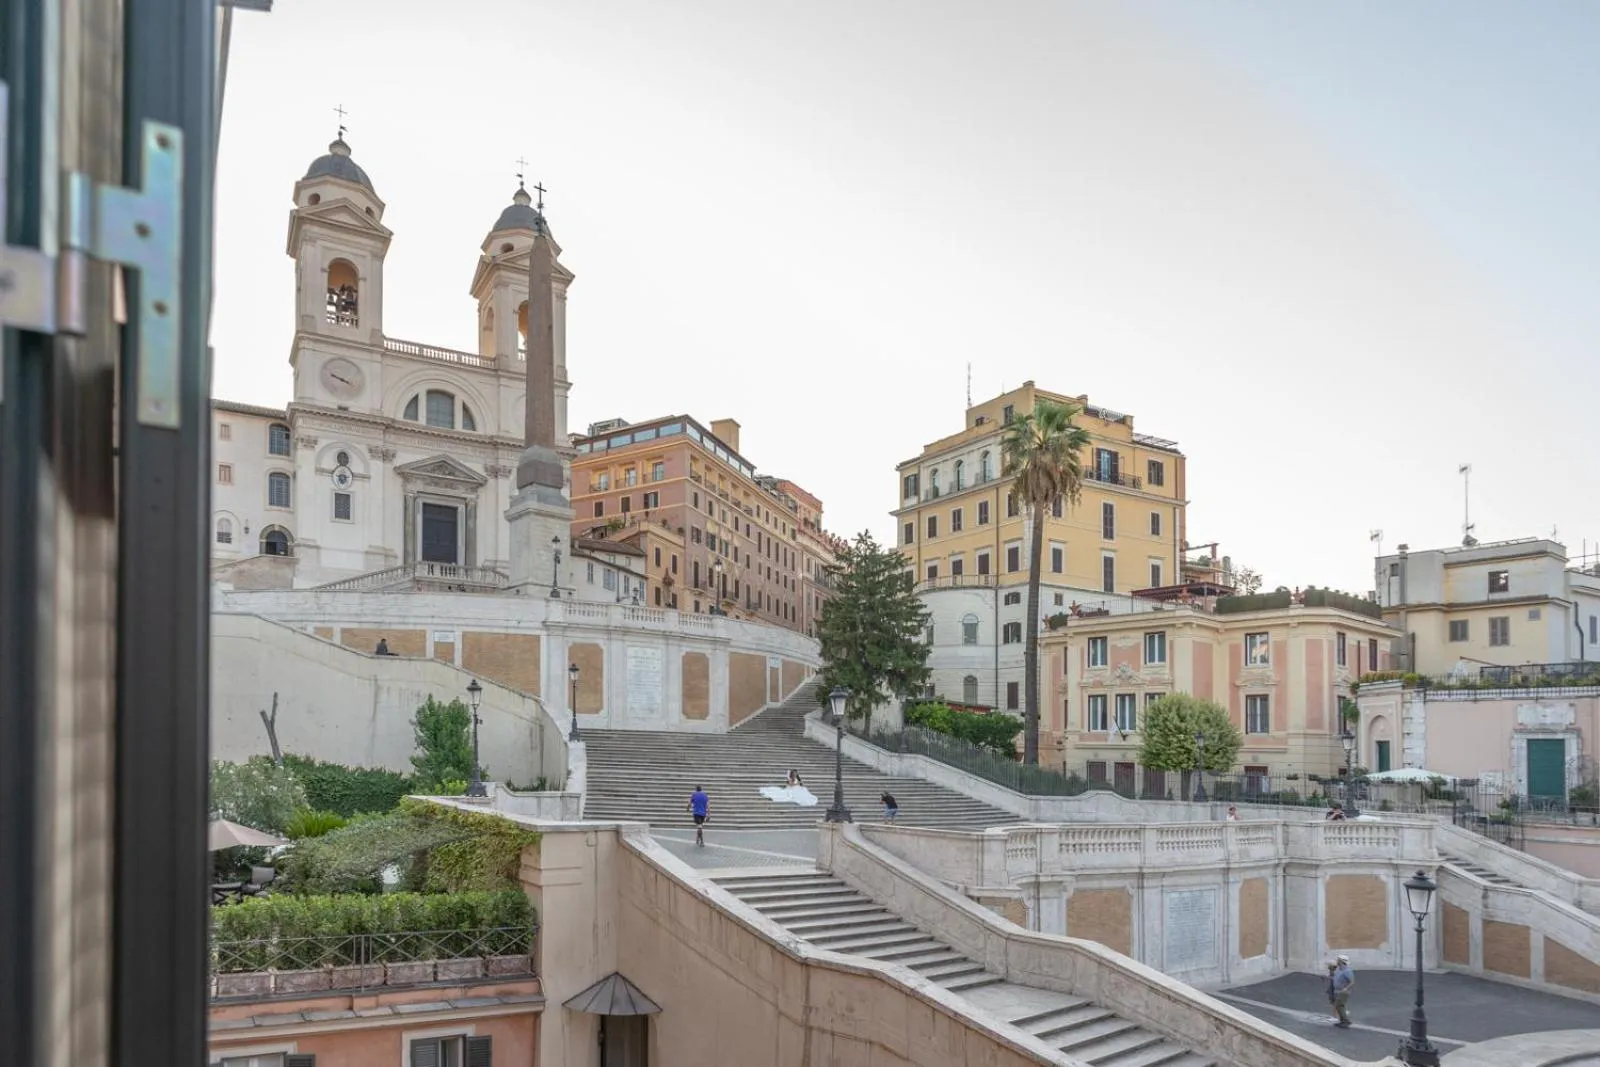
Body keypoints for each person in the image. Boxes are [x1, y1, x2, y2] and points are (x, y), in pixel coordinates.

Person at [1329, 954, 1355, 1027]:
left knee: (1339, 1005)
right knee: (1339, 1006)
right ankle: (1343, 1021)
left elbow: (1352, 982)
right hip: (1337, 990)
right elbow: (1334, 978)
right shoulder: (1338, 969)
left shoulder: (1347, 971)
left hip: (1343, 991)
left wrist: (1345, 988)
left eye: (1338, 960)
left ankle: (1345, 1021)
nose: (1337, 961)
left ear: (1341, 961)